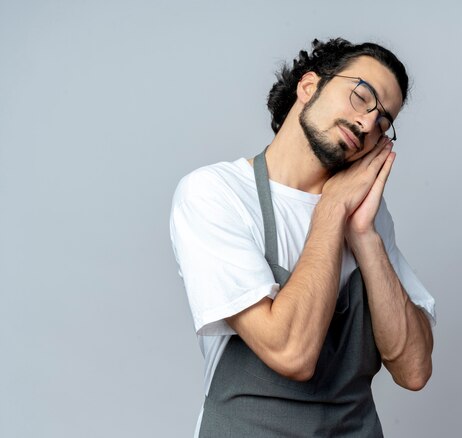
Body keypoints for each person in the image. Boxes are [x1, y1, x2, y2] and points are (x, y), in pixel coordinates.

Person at [169, 37, 436, 437]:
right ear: (309, 86)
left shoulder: (368, 213)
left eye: (383, 122)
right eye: (362, 96)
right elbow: (291, 352)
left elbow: (414, 369)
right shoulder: (216, 193)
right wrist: (330, 211)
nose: (367, 124)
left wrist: (364, 234)